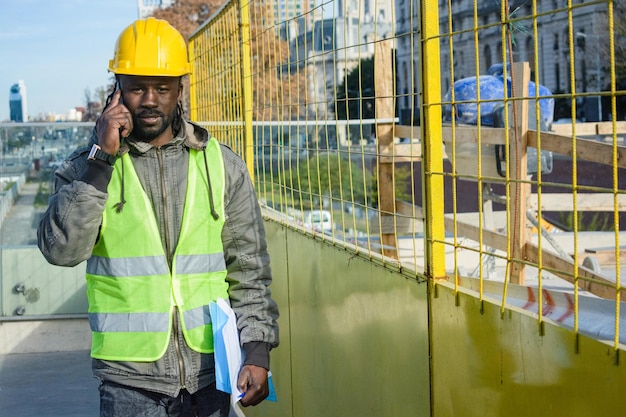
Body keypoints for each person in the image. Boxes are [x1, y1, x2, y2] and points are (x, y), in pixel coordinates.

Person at [37, 17, 279, 417]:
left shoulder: (222, 165)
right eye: (137, 87)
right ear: (117, 91)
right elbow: (61, 251)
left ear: (180, 90)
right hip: (128, 384)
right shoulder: (85, 168)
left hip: (211, 375)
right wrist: (101, 161)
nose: (150, 99)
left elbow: (249, 269)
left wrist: (256, 350)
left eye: (162, 88)